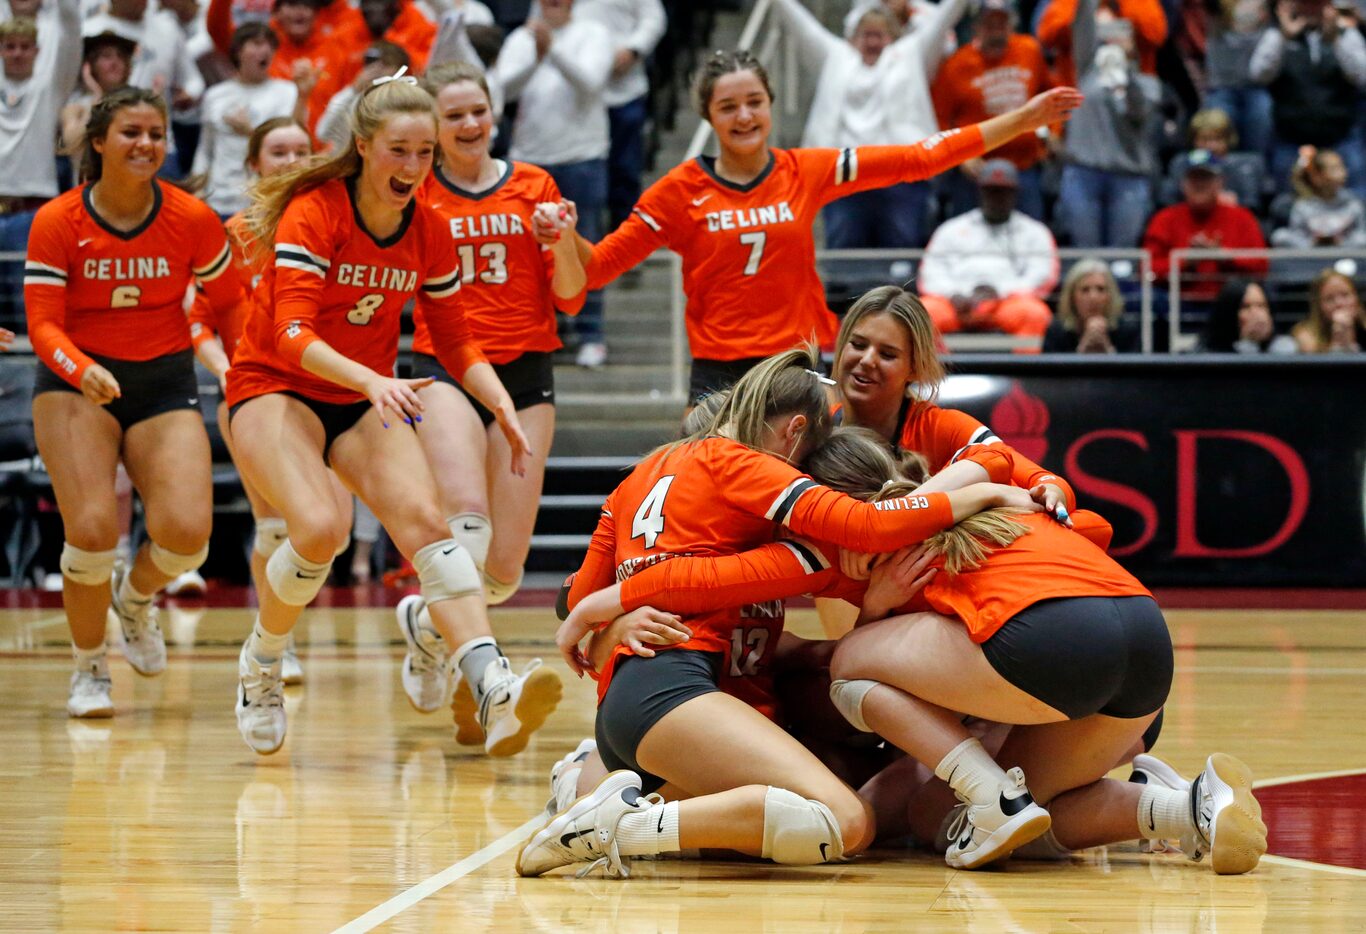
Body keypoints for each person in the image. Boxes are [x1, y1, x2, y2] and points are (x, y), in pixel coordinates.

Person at [565, 426, 1268, 874]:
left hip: (1043, 651)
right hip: (1144, 646)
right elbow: (1093, 526)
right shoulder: (970, 497)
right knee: (945, 818)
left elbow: (715, 577)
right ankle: (1189, 808)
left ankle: (993, 796)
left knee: (852, 667)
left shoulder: (857, 539)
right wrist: (1025, 489)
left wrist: (601, 607)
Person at [519, 347, 1041, 878]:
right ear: (794, 434)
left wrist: (603, 617)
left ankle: (600, 794)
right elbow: (865, 526)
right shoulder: (745, 466)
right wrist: (979, 491)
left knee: (823, 799)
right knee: (845, 820)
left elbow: (579, 593)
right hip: (671, 688)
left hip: (648, 695)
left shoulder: (643, 479)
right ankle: (613, 824)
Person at [224, 72, 559, 757]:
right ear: (365, 148)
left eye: (425, 154)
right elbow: (290, 333)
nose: (413, 168)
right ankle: (261, 662)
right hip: (272, 384)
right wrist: (373, 379)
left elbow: (457, 335)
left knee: (430, 529)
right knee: (319, 530)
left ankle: (493, 684)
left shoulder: (427, 226)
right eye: (399, 152)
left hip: (360, 394)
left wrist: (500, 401)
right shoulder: (316, 210)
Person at [559, 50, 1082, 404]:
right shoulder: (677, 190)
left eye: (754, 102)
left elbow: (918, 159)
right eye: (728, 106)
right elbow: (599, 268)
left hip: (797, 368)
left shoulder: (804, 171)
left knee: (802, 519)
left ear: (770, 105)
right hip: (718, 377)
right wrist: (563, 233)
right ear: (709, 117)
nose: (744, 116)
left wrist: (1019, 119)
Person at [24, 87, 238, 719]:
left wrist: (245, 362)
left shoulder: (192, 217)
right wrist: (80, 367)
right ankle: (90, 666)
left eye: (156, 133)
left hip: (164, 382)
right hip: (74, 386)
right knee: (90, 533)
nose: (147, 145)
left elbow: (229, 302)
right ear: (99, 143)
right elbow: (40, 324)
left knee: (187, 538)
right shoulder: (58, 220)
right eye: (131, 133)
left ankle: (136, 597)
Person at [392, 62, 587, 720]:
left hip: (527, 374)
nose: (470, 124)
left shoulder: (535, 186)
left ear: (493, 114)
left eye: (479, 111)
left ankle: (424, 626)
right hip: (445, 366)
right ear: (433, 128)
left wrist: (560, 240)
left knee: (501, 573)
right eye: (454, 116)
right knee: (466, 524)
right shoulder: (415, 194)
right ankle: (471, 666)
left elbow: (570, 293)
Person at [188, 115, 323, 683]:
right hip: (252, 394)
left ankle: (277, 629)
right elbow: (198, 319)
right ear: (253, 165)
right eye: (278, 151)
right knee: (276, 526)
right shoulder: (233, 235)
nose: (291, 161)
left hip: (323, 398)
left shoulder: (335, 226)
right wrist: (223, 371)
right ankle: (276, 641)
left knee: (319, 530)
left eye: (301, 151)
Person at [769, 0, 970, 248]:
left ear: (894, 37)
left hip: (903, 176)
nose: (873, 42)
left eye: (880, 35)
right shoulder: (835, 55)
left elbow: (946, 16)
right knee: (845, 256)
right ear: (852, 38)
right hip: (845, 178)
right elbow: (801, 25)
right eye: (866, 35)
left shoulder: (911, 53)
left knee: (900, 258)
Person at [494, 0, 613, 367]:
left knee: (585, 247)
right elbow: (503, 90)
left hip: (582, 156)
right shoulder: (520, 37)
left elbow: (591, 83)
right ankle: (549, 331)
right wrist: (535, 56)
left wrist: (552, 50)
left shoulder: (595, 33)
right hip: (529, 160)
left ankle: (591, 334)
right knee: (529, 256)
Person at [1054, 0, 1164, 248]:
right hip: (1083, 173)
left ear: (1134, 43)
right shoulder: (1087, 71)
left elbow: (1138, 113)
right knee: (1087, 256)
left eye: (1123, 34)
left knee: (1122, 257)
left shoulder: (1148, 83)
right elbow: (1081, 24)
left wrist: (1126, 75)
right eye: (1111, 33)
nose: (1116, 39)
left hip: (1128, 177)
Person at [932, 0, 1052, 220]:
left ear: (1012, 25)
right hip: (975, 174)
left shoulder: (1030, 50)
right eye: (989, 24)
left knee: (1030, 237)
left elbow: (1051, 94)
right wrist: (958, 157)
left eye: (1002, 23)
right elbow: (939, 118)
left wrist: (1051, 133)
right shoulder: (957, 65)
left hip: (1024, 167)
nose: (996, 30)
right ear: (976, 27)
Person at [917, 159, 1058, 346]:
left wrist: (1000, 291)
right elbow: (930, 273)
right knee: (923, 314)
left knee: (1036, 315)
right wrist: (954, 294)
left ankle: (1024, 376)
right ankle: (934, 375)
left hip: (1007, 302)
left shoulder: (1034, 231)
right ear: (980, 192)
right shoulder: (951, 229)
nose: (997, 197)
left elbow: (1042, 275)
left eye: (1003, 191)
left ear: (1015, 193)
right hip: (956, 303)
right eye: (991, 191)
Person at [0, 0, 80, 322]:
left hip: (33, 212)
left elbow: (72, 30)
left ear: (37, 51)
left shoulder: (52, 87)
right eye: (9, 47)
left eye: (25, 47)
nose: (17, 53)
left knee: (28, 311)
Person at [1250, 0, 1366, 195]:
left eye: (1317, 4)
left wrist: (1336, 39)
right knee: (1287, 205)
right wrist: (1283, 37)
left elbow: (1362, 76)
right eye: (1306, 3)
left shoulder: (1346, 35)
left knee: (1356, 201)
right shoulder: (1276, 35)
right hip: (1291, 139)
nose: (1311, 9)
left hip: (1340, 138)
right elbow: (1258, 74)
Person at [193, 23, 307, 217]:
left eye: (270, 45)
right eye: (256, 43)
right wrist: (196, 189)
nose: (265, 50)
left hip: (262, 201)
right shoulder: (215, 95)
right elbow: (205, 149)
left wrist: (250, 131)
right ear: (238, 51)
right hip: (217, 198)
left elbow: (294, 143)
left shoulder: (287, 92)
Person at [578, 0, 667, 233]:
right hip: (579, 97)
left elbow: (654, 19)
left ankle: (626, 239)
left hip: (624, 90)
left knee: (625, 169)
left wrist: (633, 50)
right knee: (584, 174)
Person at [1144, 150, 1269, 310]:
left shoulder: (1242, 217)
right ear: (1183, 183)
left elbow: (1261, 267)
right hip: (1176, 305)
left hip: (1231, 306)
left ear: (1220, 183)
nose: (1199, 184)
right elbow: (1147, 272)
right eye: (1194, 178)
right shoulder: (1165, 218)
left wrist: (1224, 257)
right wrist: (1185, 261)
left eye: (1206, 178)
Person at [1036, 0, 1167, 87]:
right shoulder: (1069, 3)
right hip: (1079, 100)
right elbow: (1047, 34)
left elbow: (1156, 33)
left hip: (1133, 100)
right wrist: (1085, 16)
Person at [1271, 146, 1366, 248]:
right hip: (1312, 253)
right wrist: (1313, 242)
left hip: (1346, 253)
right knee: (1280, 235)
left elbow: (1360, 234)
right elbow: (1297, 235)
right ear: (1316, 177)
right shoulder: (1303, 205)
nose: (1342, 174)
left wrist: (1341, 242)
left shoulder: (1353, 202)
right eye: (1334, 169)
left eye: (1342, 167)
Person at [1042, 258, 1141, 353]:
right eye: (1085, 290)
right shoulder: (1056, 331)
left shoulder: (1128, 330)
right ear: (1071, 296)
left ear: (1111, 295)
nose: (1093, 297)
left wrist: (1108, 351)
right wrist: (1081, 352)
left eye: (1100, 289)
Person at [1201, 277, 1297, 353]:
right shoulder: (1208, 355)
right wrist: (1246, 345)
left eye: (1261, 305)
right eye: (1246, 307)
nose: (1257, 314)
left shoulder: (1283, 349)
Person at [1290, 266, 1366, 352]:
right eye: (1329, 299)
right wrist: (1339, 339)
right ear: (1319, 305)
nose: (1339, 303)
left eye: (1345, 295)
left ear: (1356, 297)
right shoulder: (1305, 335)